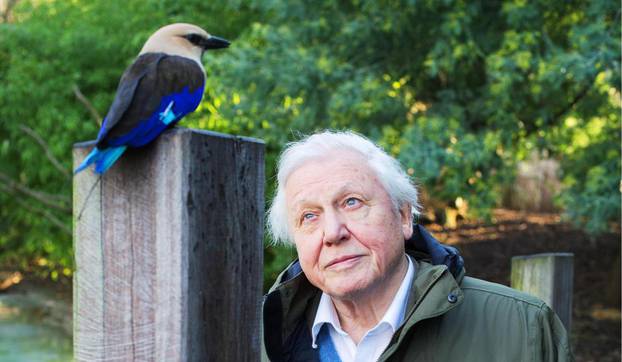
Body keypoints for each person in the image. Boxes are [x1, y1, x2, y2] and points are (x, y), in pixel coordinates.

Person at [262, 130, 573, 362]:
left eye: (352, 202)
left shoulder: (522, 330)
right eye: (309, 216)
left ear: (403, 216)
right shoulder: (256, 339)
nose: (332, 232)